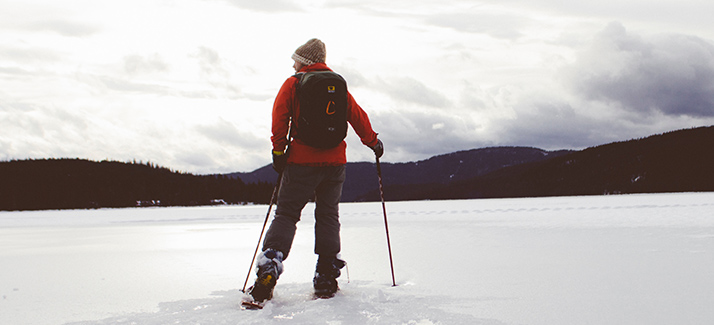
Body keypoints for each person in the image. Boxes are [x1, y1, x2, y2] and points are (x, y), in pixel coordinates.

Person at [247, 38, 384, 302]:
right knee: (328, 215)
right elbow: (357, 116)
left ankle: (270, 266)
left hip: (301, 162)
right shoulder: (338, 86)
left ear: (305, 61)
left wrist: (278, 152)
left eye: (295, 59)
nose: (293, 64)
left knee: (286, 214)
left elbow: (280, 117)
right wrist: (373, 142)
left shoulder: (294, 83)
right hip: (335, 164)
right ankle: (326, 275)